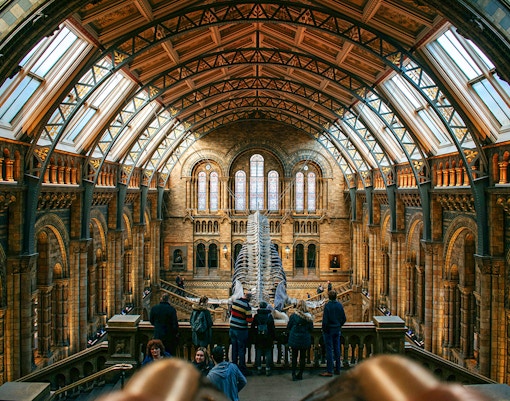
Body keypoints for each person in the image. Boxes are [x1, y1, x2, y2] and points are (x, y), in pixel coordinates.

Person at [319, 290, 347, 377]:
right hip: (337, 330)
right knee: (337, 349)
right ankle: (338, 369)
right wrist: (339, 325)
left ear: (329, 297)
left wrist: (324, 329)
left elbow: (325, 321)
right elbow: (344, 318)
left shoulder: (327, 306)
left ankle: (329, 371)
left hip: (329, 331)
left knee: (329, 350)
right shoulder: (339, 305)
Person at [287, 299, 314, 381]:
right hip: (304, 338)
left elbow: (288, 327)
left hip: (294, 338)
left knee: (294, 357)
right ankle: (300, 374)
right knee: (302, 357)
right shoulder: (308, 317)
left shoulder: (293, 316)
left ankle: (293, 375)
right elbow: (311, 329)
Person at [229, 290, 253, 376]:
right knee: (241, 350)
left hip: (232, 328)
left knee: (234, 349)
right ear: (249, 298)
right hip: (241, 330)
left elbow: (231, 312)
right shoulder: (247, 306)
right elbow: (249, 320)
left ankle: (233, 368)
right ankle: (242, 369)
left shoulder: (235, 301)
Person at [250, 301, 275, 376]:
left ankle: (259, 368)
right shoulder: (269, 316)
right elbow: (272, 328)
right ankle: (267, 369)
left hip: (258, 336)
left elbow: (252, 327)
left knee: (258, 351)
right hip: (268, 337)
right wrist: (273, 337)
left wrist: (254, 336)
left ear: (260, 307)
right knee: (268, 352)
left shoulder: (256, 316)